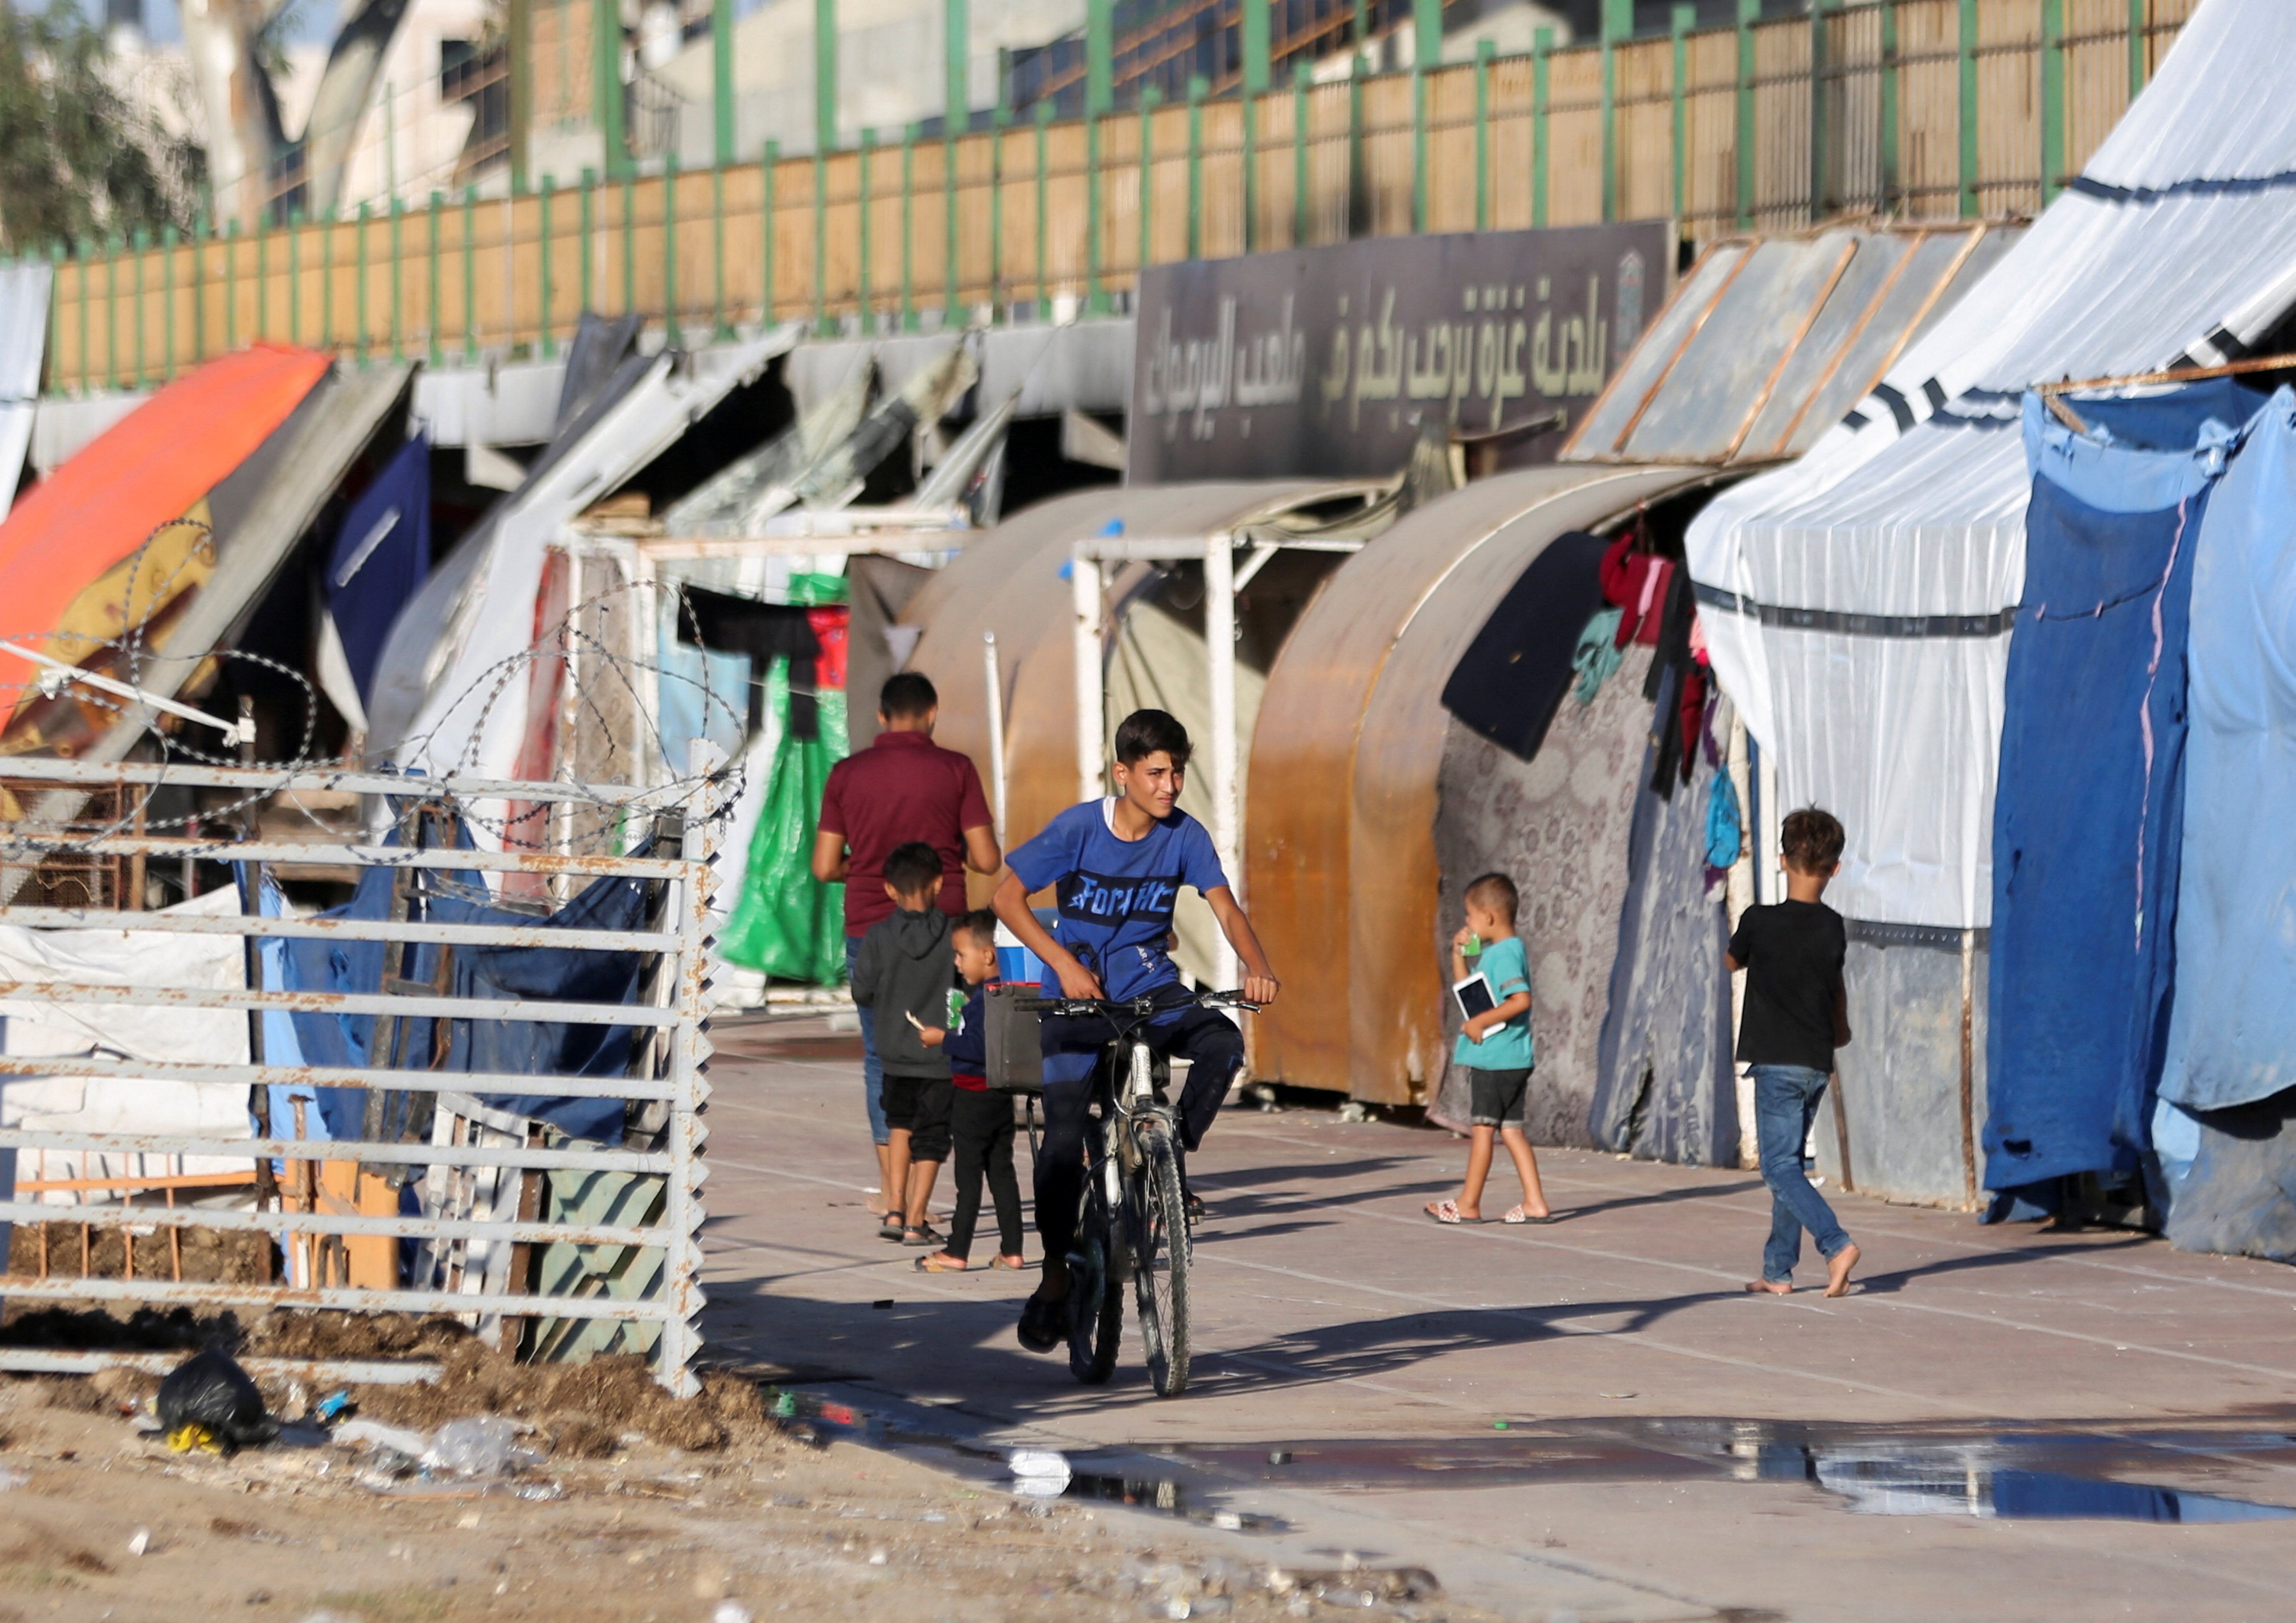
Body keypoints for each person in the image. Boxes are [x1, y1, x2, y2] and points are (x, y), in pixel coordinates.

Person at [992, 707, 1281, 1354]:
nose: (1171, 785)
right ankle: (1052, 1277)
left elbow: (1226, 909)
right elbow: (1005, 898)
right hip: (1077, 998)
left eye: (1178, 772)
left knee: (1223, 1042)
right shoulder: (1077, 830)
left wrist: (1258, 967)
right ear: (1123, 773)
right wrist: (1062, 963)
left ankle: (1169, 1157)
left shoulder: (1186, 836)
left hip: (1151, 989)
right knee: (1063, 1142)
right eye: (1157, 773)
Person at [814, 672, 999, 1223]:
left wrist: (869, 867)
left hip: (870, 928)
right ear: (933, 712)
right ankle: (924, 1197)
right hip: (950, 934)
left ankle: (890, 1194)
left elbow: (825, 866)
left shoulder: (847, 774)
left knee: (881, 1056)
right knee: (945, 1054)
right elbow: (987, 859)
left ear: (881, 715)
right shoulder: (956, 769)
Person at [1726, 806, 1860, 1298]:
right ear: (1834, 868)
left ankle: (1836, 1243)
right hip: (1816, 1060)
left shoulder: (1758, 920)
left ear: (1782, 860)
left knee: (1777, 1167)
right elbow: (1836, 987)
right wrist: (1841, 1030)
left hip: (1776, 1062)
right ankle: (1778, 1270)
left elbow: (1730, 959)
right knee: (1791, 1166)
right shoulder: (1832, 928)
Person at [1424, 873, 1554, 1226]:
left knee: (1482, 1130)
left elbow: (1520, 999)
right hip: (1512, 1058)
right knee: (1511, 1131)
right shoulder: (1500, 951)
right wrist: (1458, 955)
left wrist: (1481, 1024)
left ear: (1490, 918)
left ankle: (1468, 1203)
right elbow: (1469, 992)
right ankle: (1535, 1202)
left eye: (1470, 915)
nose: (1466, 922)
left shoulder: (1506, 954)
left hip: (1496, 1059)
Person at [847, 842, 957, 1247]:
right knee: (932, 1137)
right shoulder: (953, 934)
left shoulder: (877, 937)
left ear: (890, 890)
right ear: (940, 884)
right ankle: (916, 1219)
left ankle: (894, 1208)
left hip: (893, 1055)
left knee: (900, 1127)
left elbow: (862, 992)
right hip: (939, 1056)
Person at [913, 910, 1027, 1274]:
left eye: (961, 954)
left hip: (973, 1096)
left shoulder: (983, 1002)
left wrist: (943, 1039)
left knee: (969, 1178)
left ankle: (957, 1250)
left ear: (988, 955)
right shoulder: (1006, 995)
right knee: (1002, 1173)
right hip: (999, 1095)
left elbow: (979, 1047)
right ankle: (1012, 1249)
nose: (957, 963)